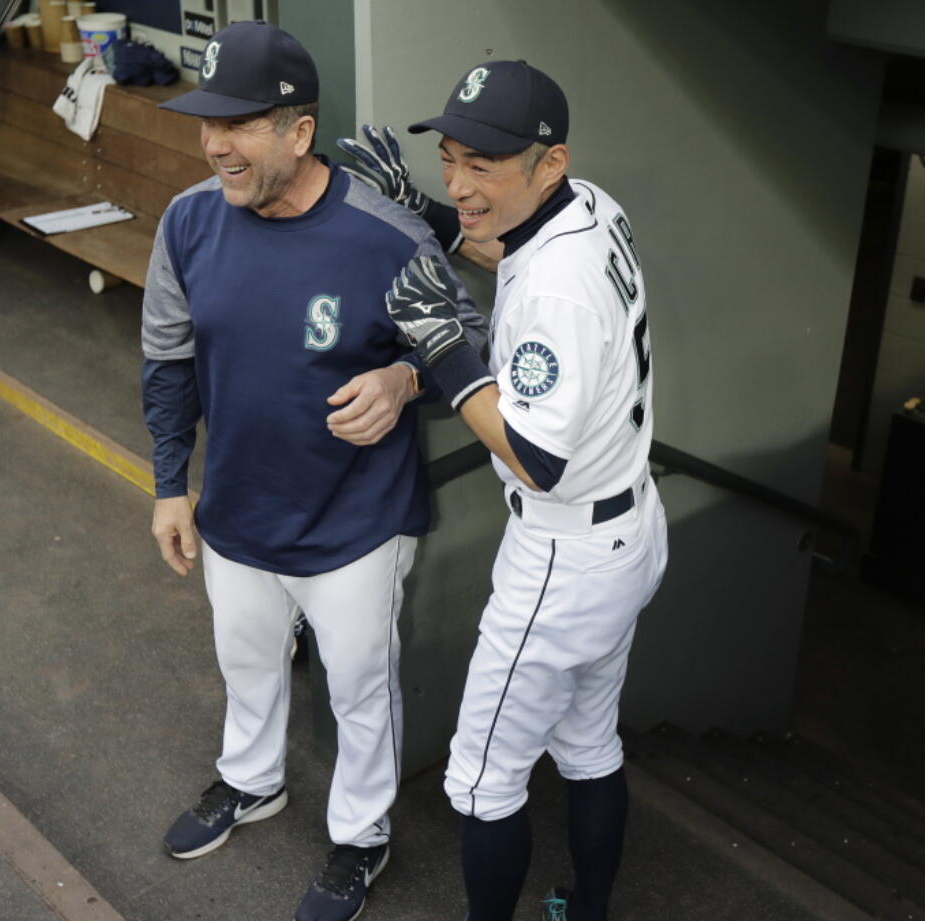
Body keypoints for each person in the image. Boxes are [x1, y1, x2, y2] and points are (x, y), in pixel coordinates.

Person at [139, 22, 485, 921]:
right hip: (239, 511)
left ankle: (361, 838)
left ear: (298, 131)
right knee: (245, 659)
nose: (214, 143)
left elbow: (473, 344)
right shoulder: (188, 221)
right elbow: (168, 359)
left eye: (241, 123)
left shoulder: (384, 236)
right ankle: (252, 780)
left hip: (355, 520)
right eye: (207, 122)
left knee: (359, 686)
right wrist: (170, 483)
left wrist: (407, 377)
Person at [352, 60, 669, 921]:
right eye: (450, 158)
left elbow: (536, 458)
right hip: (629, 530)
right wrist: (423, 210)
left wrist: (448, 349)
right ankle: (588, 911)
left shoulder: (561, 292)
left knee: (484, 779)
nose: (459, 182)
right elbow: (509, 246)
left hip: (564, 553)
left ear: (548, 162)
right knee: (588, 742)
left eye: (481, 166)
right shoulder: (589, 203)